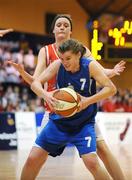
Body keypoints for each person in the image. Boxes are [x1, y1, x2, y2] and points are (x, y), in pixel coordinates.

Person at [8, 14, 126, 180]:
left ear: (71, 31)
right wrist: (33, 83)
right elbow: (35, 81)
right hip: (55, 110)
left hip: (81, 112)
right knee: (35, 158)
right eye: (59, 24)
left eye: (66, 25)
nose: (62, 27)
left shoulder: (82, 51)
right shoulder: (47, 52)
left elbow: (99, 72)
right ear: (53, 29)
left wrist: (110, 73)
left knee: (99, 154)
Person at [22, 38, 117, 179]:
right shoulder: (58, 65)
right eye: (61, 58)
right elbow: (35, 83)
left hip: (83, 124)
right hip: (59, 123)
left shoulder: (90, 66)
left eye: (68, 58)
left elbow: (111, 88)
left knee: (92, 162)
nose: (64, 62)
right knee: (32, 159)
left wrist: (87, 101)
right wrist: (46, 94)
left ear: (78, 54)